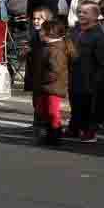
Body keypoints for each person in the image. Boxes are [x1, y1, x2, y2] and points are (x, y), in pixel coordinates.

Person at [25, 16, 70, 145]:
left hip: (53, 87)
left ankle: (55, 134)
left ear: (50, 33)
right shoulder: (46, 47)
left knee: (52, 111)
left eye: (42, 31)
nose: (40, 33)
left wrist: (43, 79)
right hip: (44, 86)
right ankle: (46, 133)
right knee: (43, 110)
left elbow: (56, 71)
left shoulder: (56, 50)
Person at [67, 3, 104, 142]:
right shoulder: (74, 31)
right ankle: (75, 127)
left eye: (85, 12)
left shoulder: (99, 36)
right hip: (74, 74)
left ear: (95, 16)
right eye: (80, 12)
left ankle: (90, 130)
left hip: (90, 77)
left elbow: (102, 61)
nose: (81, 14)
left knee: (89, 105)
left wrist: (98, 79)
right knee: (75, 101)